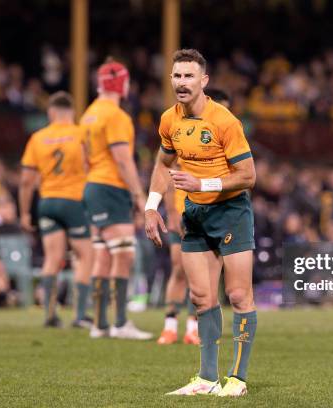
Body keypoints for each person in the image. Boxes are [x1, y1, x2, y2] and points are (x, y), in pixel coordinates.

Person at [145, 49, 256, 397]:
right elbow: (163, 164)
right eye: (176, 76)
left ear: (203, 81)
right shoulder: (169, 120)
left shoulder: (224, 121)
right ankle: (208, 378)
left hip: (231, 212)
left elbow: (248, 175)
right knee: (201, 296)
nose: (181, 82)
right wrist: (151, 207)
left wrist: (203, 184)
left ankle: (236, 379)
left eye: (188, 76)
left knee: (238, 294)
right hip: (194, 214)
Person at [80, 58, 151, 340]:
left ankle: (99, 324)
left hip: (93, 186)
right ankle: (120, 322)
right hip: (111, 187)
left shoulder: (88, 114)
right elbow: (123, 160)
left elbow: (85, 160)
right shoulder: (117, 116)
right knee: (124, 253)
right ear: (122, 83)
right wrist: (138, 194)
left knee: (103, 253)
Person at [157, 89, 230, 346]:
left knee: (206, 275)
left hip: (213, 212)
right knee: (179, 268)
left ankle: (193, 326)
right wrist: (171, 212)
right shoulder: (186, 131)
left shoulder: (226, 134)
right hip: (184, 210)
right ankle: (169, 325)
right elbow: (166, 173)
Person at [19, 91, 94, 328]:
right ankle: (80, 315)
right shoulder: (81, 133)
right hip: (73, 201)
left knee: (52, 258)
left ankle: (50, 314)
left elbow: (26, 181)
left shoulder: (38, 137)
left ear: (51, 112)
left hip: (47, 203)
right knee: (85, 256)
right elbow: (89, 165)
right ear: (72, 112)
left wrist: (24, 213)